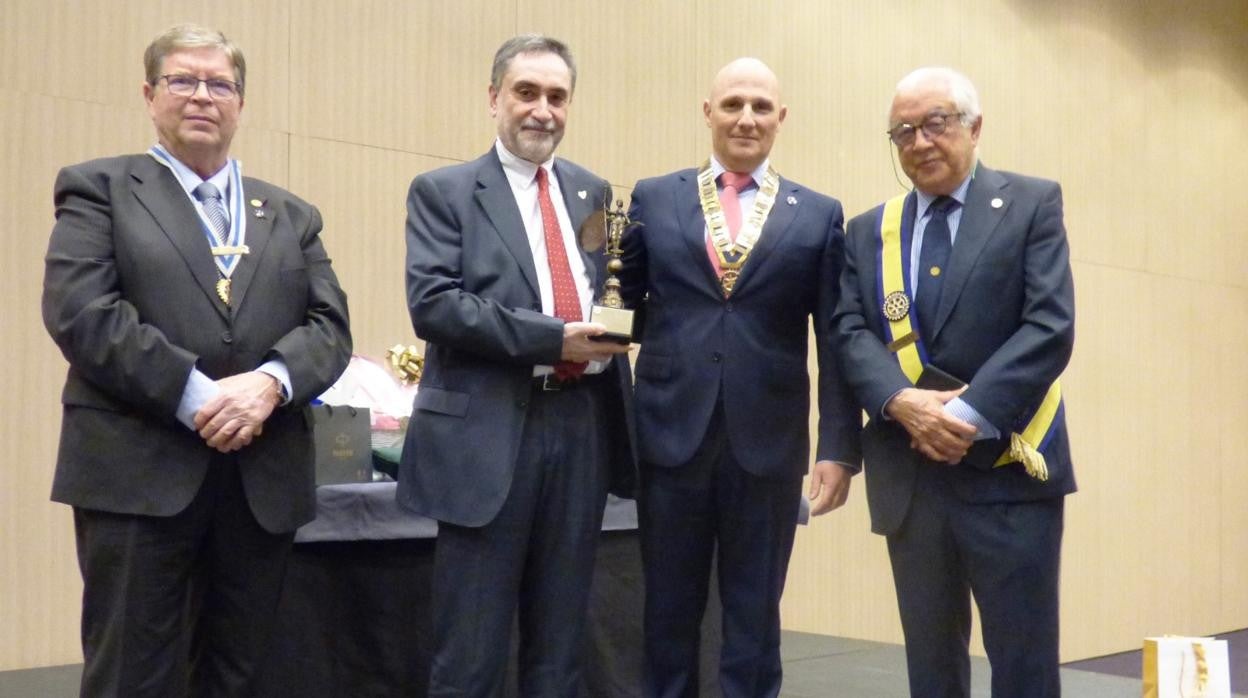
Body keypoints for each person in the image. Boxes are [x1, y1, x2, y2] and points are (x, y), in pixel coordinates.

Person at [40, 23, 352, 697]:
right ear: (150, 96)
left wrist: (270, 384)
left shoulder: (292, 215)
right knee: (133, 672)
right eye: (183, 80)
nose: (203, 96)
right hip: (138, 473)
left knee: (244, 673)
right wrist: (197, 395)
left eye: (221, 84)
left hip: (260, 478)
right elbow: (82, 314)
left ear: (242, 102)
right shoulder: (100, 190)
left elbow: (330, 329)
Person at [396, 34, 635, 697]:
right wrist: (554, 338)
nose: (542, 110)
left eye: (557, 97)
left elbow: (609, 290)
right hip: (488, 439)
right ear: (494, 97)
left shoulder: (592, 192)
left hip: (580, 431)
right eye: (526, 93)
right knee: (468, 654)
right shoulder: (444, 191)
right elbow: (436, 306)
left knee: (560, 650)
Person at [619, 57, 862, 698]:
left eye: (760, 106)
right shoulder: (654, 196)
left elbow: (835, 341)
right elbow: (623, 313)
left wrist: (839, 447)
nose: (746, 118)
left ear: (781, 118)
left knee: (755, 620)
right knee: (667, 613)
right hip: (670, 435)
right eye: (732, 105)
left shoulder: (818, 215)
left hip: (768, 444)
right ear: (708, 112)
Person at [834, 66, 1076, 698]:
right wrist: (901, 401)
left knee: (1023, 663)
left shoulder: (1030, 203)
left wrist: (962, 418)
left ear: (974, 126)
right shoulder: (867, 232)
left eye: (936, 123)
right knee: (931, 667)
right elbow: (851, 330)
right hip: (913, 480)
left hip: (1007, 471)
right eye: (904, 131)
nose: (920, 142)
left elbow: (1048, 326)